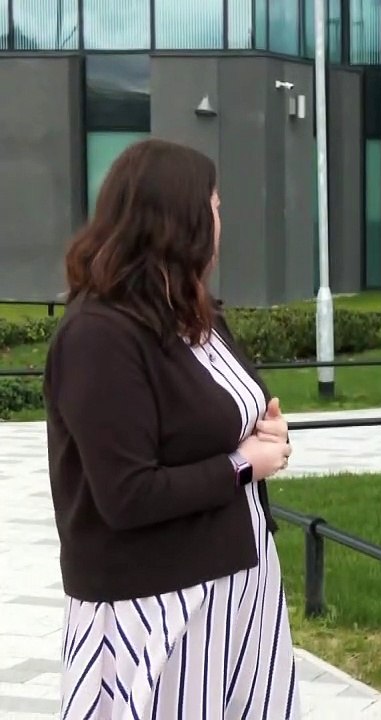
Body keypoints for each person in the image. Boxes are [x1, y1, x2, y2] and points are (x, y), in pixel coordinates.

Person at [44, 138, 299, 718]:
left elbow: (229, 419)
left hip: (240, 584)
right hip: (156, 604)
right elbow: (126, 494)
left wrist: (269, 434)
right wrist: (243, 465)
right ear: (180, 220)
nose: (221, 220)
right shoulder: (99, 336)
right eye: (215, 205)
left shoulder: (195, 313)